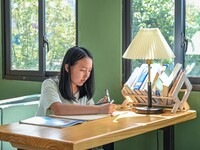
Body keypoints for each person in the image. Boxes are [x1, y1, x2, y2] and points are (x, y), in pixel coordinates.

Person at [36, 46, 115, 117]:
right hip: (45, 131)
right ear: (67, 68)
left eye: (89, 70)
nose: (87, 75)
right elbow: (58, 109)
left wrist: (98, 106)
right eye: (82, 70)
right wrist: (98, 109)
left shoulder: (83, 88)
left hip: (69, 131)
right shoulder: (50, 84)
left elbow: (87, 111)